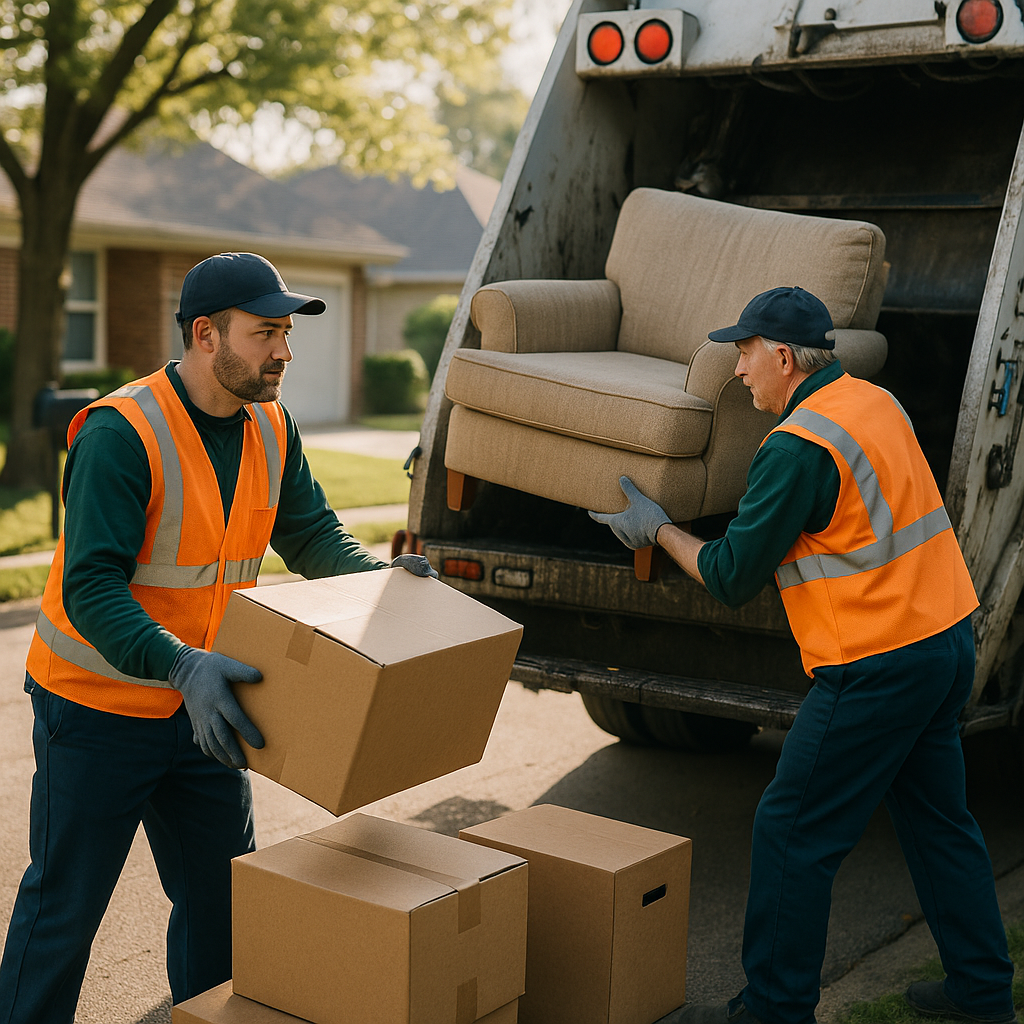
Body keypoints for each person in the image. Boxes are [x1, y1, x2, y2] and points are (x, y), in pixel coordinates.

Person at [0, 252, 437, 1023]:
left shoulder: (271, 425)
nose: (285, 351)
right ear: (207, 335)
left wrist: (380, 578)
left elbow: (310, 536)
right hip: (97, 713)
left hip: (204, 710)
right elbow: (91, 587)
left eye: (287, 333)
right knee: (64, 912)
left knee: (220, 908)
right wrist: (182, 664)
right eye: (267, 331)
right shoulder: (122, 431)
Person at [589, 286, 1018, 1024]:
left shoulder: (796, 446)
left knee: (791, 830)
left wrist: (657, 529)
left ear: (783, 357)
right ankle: (980, 994)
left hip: (875, 665)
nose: (737, 367)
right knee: (938, 823)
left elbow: (729, 576)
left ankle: (773, 1010)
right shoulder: (871, 403)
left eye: (746, 351)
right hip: (944, 642)